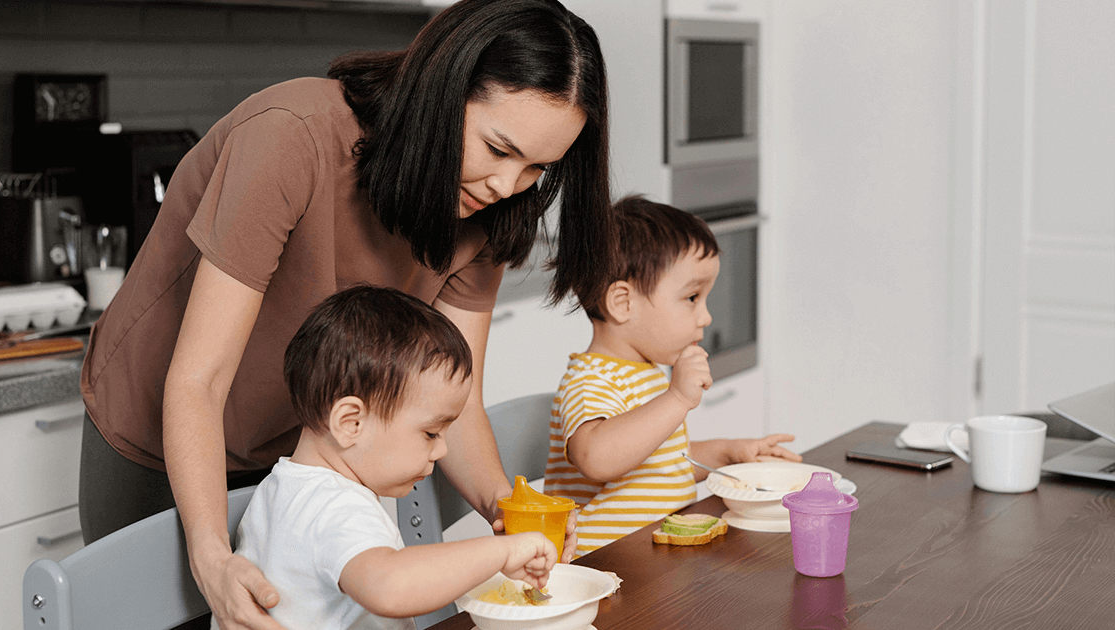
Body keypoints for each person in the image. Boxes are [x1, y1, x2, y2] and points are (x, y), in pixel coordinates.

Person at [76, 1, 612, 628]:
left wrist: (506, 507)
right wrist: (210, 556)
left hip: (307, 448)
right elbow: (200, 379)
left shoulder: (487, 214)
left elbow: (456, 399)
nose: (506, 185)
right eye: (498, 148)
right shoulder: (290, 135)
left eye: (537, 169)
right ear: (443, 90)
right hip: (164, 432)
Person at [210, 286, 558, 630]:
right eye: (430, 433)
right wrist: (503, 552)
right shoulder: (337, 507)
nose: (442, 450)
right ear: (351, 423)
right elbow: (389, 586)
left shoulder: (280, 487)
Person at [543, 196, 801, 555]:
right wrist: (676, 399)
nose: (706, 317)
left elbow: (661, 463)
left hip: (655, 566)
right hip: (601, 568)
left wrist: (728, 453)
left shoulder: (647, 371)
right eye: (692, 297)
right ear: (622, 303)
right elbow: (597, 459)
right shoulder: (591, 381)